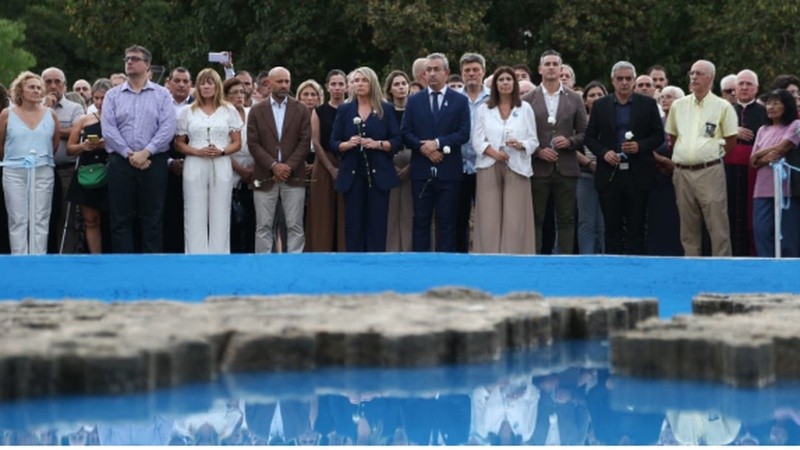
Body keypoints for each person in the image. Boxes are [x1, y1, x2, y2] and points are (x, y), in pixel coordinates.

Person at [101, 45, 177, 253]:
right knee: (119, 219)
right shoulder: (112, 95)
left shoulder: (162, 95)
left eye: (135, 58)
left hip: (153, 163)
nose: (129, 62)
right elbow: (108, 129)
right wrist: (129, 154)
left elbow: (168, 128)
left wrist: (147, 152)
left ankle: (151, 270)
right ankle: (124, 269)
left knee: (153, 219)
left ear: (147, 64)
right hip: (120, 162)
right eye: (127, 59)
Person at [586, 61, 664, 255]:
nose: (624, 83)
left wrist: (640, 146)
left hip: (638, 173)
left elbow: (658, 136)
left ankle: (636, 270)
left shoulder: (647, 104)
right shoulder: (600, 105)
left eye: (628, 79)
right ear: (612, 81)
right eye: (620, 79)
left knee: (636, 227)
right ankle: (614, 271)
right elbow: (589, 137)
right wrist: (604, 152)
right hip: (610, 173)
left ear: (634, 80)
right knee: (611, 228)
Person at [665, 59, 738, 256]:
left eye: (699, 73)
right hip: (682, 172)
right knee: (687, 226)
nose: (694, 77)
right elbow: (672, 136)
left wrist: (710, 154)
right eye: (692, 73)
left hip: (710, 171)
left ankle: (721, 269)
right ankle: (692, 267)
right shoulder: (678, 106)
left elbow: (731, 140)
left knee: (717, 223)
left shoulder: (723, 106)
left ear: (711, 78)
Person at [400, 52, 471, 252]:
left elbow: (464, 133)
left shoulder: (459, 101)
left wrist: (438, 143)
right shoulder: (414, 101)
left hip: (449, 171)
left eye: (436, 69)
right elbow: (405, 132)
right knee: (421, 220)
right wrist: (424, 148)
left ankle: (444, 265)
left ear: (446, 72)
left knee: (447, 222)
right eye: (428, 70)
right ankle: (420, 264)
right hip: (422, 171)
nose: (431, 74)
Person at [522, 49, 588, 254]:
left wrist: (569, 142)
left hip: (566, 167)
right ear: (540, 69)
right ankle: (536, 259)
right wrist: (538, 151)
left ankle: (565, 260)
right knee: (536, 218)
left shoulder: (575, 99)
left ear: (561, 69)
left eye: (555, 64)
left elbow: (586, 133)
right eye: (547, 64)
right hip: (539, 168)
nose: (551, 67)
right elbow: (521, 134)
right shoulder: (527, 99)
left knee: (567, 219)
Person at [331, 66, 400, 252]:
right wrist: (346, 144)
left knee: (377, 224)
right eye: (356, 81)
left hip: (378, 175)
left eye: (363, 80)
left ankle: (376, 265)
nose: (359, 84)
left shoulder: (385, 109)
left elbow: (396, 140)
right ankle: (355, 265)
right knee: (353, 225)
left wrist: (378, 144)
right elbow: (333, 142)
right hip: (352, 175)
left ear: (372, 83)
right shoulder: (345, 110)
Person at [471, 66, 538, 254]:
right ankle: (488, 257)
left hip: (516, 165)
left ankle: (516, 256)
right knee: (489, 217)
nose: (505, 82)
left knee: (515, 217)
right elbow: (477, 140)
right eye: (501, 80)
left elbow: (533, 141)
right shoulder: (484, 110)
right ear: (495, 85)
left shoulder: (525, 109)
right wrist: (493, 152)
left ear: (515, 84)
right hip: (489, 165)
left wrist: (520, 144)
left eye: (509, 79)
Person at [174, 68, 242, 254]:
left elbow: (237, 142)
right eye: (202, 82)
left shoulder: (229, 110)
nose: (206, 86)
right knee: (194, 212)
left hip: (221, 164)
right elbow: (179, 143)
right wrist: (197, 151)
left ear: (217, 85)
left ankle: (219, 257)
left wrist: (221, 151)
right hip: (195, 164)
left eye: (210, 82)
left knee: (221, 212)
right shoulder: (187, 111)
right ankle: (195, 257)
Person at [248, 66, 310, 253]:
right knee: (263, 227)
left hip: (294, 176)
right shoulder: (257, 110)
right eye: (280, 81)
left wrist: (287, 167)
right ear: (268, 83)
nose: (284, 85)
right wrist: (274, 166)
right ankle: (264, 268)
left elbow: (305, 142)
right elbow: (253, 143)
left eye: (287, 81)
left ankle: (294, 266)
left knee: (295, 227)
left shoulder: (301, 109)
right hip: (265, 176)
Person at [0, 72, 59, 254]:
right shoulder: (6, 114)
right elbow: (1, 144)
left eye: (38, 87)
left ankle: (38, 258)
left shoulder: (51, 114)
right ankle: (19, 259)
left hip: (43, 169)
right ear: (20, 90)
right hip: (13, 170)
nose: (36, 90)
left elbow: (54, 144)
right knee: (17, 217)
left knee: (41, 216)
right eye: (31, 87)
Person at [749, 89, 800, 257]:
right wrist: (762, 158)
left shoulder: (795, 125)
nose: (771, 107)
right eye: (769, 103)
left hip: (786, 190)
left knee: (787, 236)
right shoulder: (762, 130)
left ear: (786, 106)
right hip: (762, 189)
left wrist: (758, 155)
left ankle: (788, 273)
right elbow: (752, 162)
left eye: (776, 103)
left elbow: (782, 148)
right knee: (761, 230)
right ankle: (766, 270)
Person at [65, 79, 113, 254]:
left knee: (115, 219)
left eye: (104, 98)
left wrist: (108, 144)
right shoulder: (83, 120)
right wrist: (83, 146)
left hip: (112, 172)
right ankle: (96, 257)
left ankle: (115, 257)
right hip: (88, 173)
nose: (99, 103)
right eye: (96, 98)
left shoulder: (120, 119)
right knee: (90, 220)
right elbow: (70, 149)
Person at [41, 67, 84, 254]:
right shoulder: (34, 108)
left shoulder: (75, 108)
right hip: (41, 170)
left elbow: (79, 132)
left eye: (57, 81)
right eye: (48, 81)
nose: (52, 86)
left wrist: (47, 128)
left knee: (67, 218)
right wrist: (46, 111)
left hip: (66, 169)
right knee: (42, 216)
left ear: (65, 86)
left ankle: (65, 256)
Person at [726, 69, 768, 256]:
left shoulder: (765, 112)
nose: (744, 87)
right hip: (727, 170)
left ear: (756, 88)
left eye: (749, 84)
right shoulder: (725, 110)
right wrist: (732, 131)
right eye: (740, 83)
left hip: (756, 171)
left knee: (753, 216)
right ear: (734, 88)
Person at [307, 70, 347, 252]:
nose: (337, 88)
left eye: (340, 84)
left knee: (346, 212)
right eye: (333, 84)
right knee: (322, 212)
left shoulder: (352, 109)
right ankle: (320, 251)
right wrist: (331, 169)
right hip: (324, 164)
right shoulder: (319, 111)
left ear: (346, 86)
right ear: (327, 87)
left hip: (347, 164)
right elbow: (315, 141)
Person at [457, 52, 491, 253]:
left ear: (483, 72)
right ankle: (460, 258)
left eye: (475, 70)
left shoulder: (493, 97)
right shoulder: (454, 98)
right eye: (467, 70)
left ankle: (485, 254)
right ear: (461, 73)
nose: (471, 74)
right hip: (459, 166)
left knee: (486, 216)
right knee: (459, 216)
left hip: (485, 165)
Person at [647, 85, 685, 256]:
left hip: (681, 178)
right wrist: (662, 161)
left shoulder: (687, 124)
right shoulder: (655, 123)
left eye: (670, 96)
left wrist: (674, 165)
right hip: (657, 180)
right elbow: (645, 146)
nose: (665, 99)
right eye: (662, 96)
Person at [163, 67, 194, 254]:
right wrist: (169, 162)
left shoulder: (200, 105)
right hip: (164, 164)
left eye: (185, 81)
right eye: (177, 80)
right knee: (168, 213)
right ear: (169, 83)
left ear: (191, 85)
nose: (181, 85)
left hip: (193, 163)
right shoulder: (160, 104)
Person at [224, 77, 256, 253]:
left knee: (252, 219)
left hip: (253, 172)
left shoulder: (252, 112)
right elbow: (220, 146)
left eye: (241, 92)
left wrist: (253, 168)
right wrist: (240, 169)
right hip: (230, 170)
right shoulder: (222, 115)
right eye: (234, 93)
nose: (239, 96)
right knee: (233, 219)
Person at [575, 80, 607, 254]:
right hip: (585, 175)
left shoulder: (613, 119)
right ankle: (586, 260)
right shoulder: (580, 122)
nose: (595, 98)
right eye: (591, 95)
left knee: (604, 223)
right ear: (585, 100)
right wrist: (589, 163)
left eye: (599, 95)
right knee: (586, 222)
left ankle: (604, 259)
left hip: (608, 175)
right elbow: (571, 149)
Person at [384, 70, 413, 252]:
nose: (401, 87)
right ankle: (391, 251)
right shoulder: (383, 112)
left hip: (412, 165)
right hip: (390, 166)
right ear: (390, 89)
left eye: (404, 83)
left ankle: (410, 251)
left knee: (410, 213)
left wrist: (411, 166)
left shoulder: (416, 109)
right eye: (397, 84)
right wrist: (390, 165)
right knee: (391, 213)